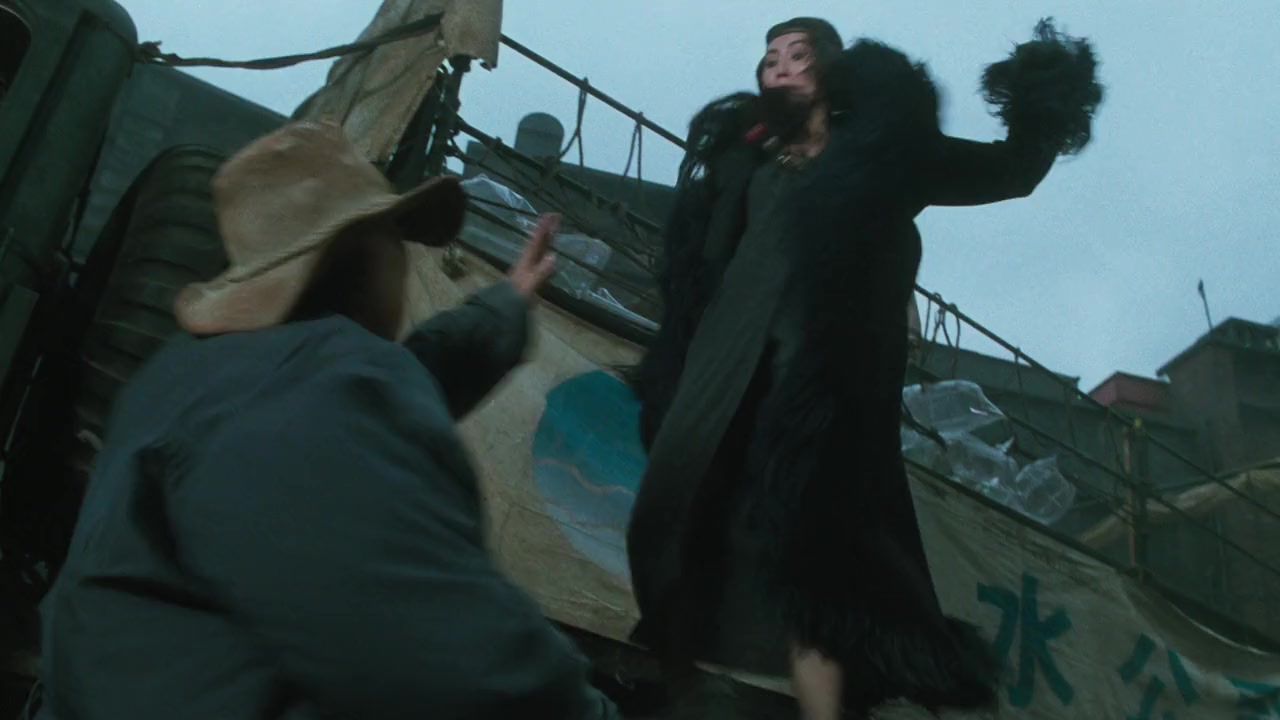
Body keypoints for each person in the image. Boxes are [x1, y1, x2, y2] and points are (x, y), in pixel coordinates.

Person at [32, 120, 621, 720]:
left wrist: (505, 303)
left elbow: (401, 379)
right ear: (366, 251)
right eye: (398, 239)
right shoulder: (311, 390)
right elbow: (453, 661)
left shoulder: (200, 377)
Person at [627, 16, 1103, 720]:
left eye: (797, 54)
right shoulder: (747, 164)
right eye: (769, 57)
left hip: (822, 387)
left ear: (830, 71)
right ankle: (680, 685)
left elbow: (1009, 173)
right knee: (672, 515)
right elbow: (705, 269)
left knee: (817, 563)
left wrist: (1041, 103)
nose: (778, 66)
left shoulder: (885, 155)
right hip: (727, 374)